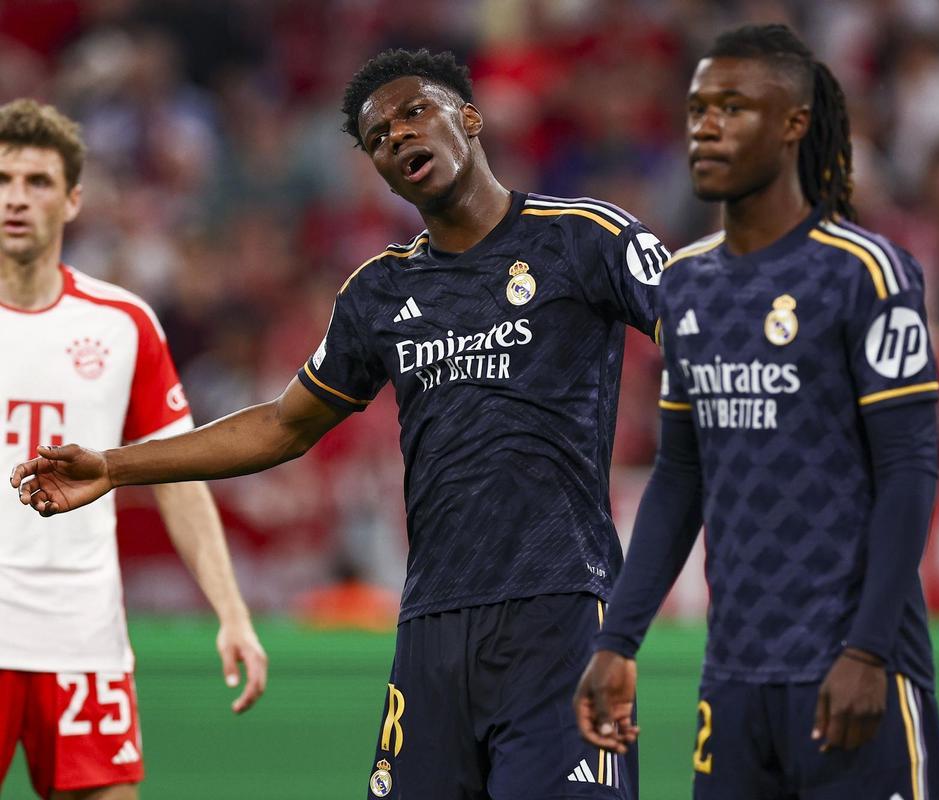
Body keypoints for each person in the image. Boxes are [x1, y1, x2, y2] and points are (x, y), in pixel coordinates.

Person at [11, 49, 666, 800]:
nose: (398, 137)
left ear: (470, 118)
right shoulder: (379, 292)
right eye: (379, 137)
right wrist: (116, 466)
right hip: (431, 628)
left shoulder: (584, 238)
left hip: (561, 611)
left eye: (415, 113)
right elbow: (284, 426)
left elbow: (697, 331)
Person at [573, 24, 939, 799]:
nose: (705, 126)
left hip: (852, 669)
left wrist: (869, 653)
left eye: (734, 107)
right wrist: (619, 640)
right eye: (697, 108)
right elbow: (681, 477)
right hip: (736, 679)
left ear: (794, 125)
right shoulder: (684, 282)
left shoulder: (866, 273)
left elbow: (909, 472)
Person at [0, 99, 266, 800]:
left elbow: (178, 476)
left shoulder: (123, 324)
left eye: (38, 182)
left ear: (74, 198)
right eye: (3, 181)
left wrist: (232, 611)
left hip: (84, 640)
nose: (17, 199)